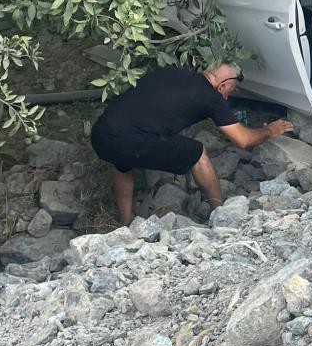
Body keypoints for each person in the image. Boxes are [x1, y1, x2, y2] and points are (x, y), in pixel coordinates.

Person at [90, 62, 293, 225]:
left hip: (102, 134)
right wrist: (268, 130)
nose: (227, 96)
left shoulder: (167, 72)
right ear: (222, 85)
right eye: (230, 90)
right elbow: (243, 140)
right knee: (198, 154)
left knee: (122, 163)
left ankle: (125, 221)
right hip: (133, 141)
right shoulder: (211, 96)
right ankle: (221, 215)